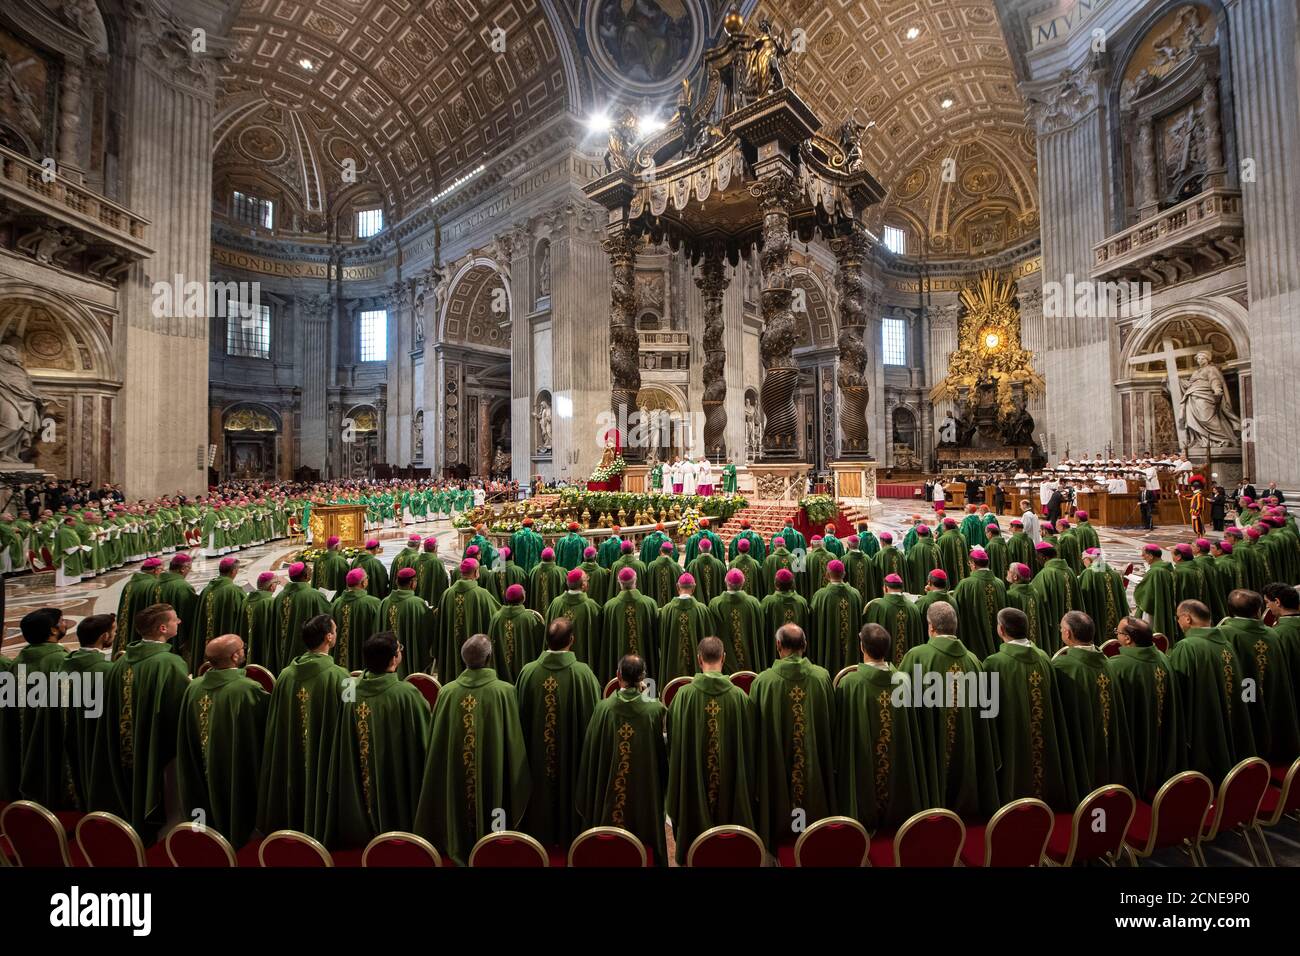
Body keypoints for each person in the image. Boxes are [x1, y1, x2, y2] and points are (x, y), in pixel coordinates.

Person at [415, 633, 530, 866]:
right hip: (492, 772)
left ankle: (456, 836)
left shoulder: (447, 692)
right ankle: (495, 837)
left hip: (456, 775)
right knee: (495, 788)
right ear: (490, 658)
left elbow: (438, 747)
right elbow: (513, 743)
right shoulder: (504, 691)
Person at [90, 603, 190, 841]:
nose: (180, 622)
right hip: (157, 744)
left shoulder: (121, 662)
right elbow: (179, 709)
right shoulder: (168, 663)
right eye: (176, 620)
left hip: (128, 741)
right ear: (163, 628)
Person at [325, 632, 432, 849]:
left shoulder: (351, 688)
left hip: (358, 777)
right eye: (399, 649)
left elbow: (343, 734)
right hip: (394, 778)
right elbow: (423, 742)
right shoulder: (407, 694)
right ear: (394, 659)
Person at [898, 602, 1000, 819]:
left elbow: (901, 708)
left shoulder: (917, 656)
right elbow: (986, 715)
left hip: (931, 748)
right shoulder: (974, 661)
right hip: (968, 749)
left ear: (931, 627)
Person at [257, 614, 350, 840]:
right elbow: (353, 719)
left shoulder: (286, 675)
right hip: (324, 755)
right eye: (335, 631)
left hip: (291, 754)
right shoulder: (341, 676)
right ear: (329, 637)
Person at [665, 636, 757, 865]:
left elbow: (674, 747)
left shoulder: (683, 697)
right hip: (730, 785)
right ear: (724, 659)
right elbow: (749, 746)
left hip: (694, 787)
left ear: (698, 660)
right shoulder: (739, 698)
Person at [833, 622, 929, 830]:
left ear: (862, 647)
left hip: (863, 763)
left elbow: (841, 731)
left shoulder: (851, 683)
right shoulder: (903, 680)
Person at [176, 634, 269, 847]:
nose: (244, 650)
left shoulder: (194, 687)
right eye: (242, 648)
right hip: (234, 766)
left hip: (202, 762)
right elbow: (268, 726)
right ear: (236, 657)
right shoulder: (246, 689)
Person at [750, 623, 835, 855]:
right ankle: (814, 832)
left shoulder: (763, 683)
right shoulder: (822, 677)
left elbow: (754, 736)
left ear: (778, 645)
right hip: (814, 771)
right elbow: (832, 726)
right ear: (805, 646)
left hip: (776, 774)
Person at [516, 618, 602, 847]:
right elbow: (593, 725)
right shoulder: (583, 675)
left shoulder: (528, 672)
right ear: (572, 641)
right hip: (572, 764)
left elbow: (519, 723)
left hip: (535, 762)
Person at [576, 654, 669, 865]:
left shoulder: (603, 709)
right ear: (643, 678)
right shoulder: (655, 711)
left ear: (618, 675)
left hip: (608, 793)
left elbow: (591, 755)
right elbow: (663, 758)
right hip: (644, 794)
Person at [981, 607, 1077, 809]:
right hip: (1043, 737)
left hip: (1012, 739)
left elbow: (987, 711)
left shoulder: (994, 663)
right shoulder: (1043, 657)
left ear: (1001, 630)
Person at [1166, 600, 1256, 781]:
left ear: (1187, 619)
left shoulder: (1187, 646)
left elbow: (1178, 692)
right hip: (1225, 715)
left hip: (1203, 722)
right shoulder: (1225, 643)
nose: (1178, 622)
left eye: (1178, 618)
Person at [1052, 611, 1137, 796]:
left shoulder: (1063, 667)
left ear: (1067, 634)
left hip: (1080, 743)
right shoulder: (1107, 662)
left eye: (1061, 628)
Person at [1216, 589, 1300, 762]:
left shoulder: (1227, 633)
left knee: (1249, 719)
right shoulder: (1273, 633)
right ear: (1259, 610)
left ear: (1230, 610)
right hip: (1271, 688)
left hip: (1247, 689)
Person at [1111, 616, 1183, 799]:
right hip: (1162, 735)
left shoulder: (1118, 666)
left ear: (1127, 639)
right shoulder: (1161, 656)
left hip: (1136, 735)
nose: (1116, 635)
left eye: (1117, 632)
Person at [13, 608, 70, 808]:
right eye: (62, 621)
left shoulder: (20, 659)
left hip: (26, 729)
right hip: (53, 731)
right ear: (53, 631)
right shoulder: (59, 660)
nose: (66, 623)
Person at [61, 614, 116, 809]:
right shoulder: (106, 670)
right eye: (114, 631)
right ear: (104, 637)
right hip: (96, 737)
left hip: (70, 735)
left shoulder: (64, 663)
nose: (115, 635)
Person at [434, 557, 501, 682]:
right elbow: (496, 617)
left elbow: (440, 627)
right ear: (476, 573)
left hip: (451, 651)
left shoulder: (447, 594)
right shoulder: (482, 594)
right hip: (477, 653)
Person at [188, 556, 247, 676]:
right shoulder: (234, 591)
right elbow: (243, 617)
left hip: (206, 639)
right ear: (234, 572)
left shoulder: (206, 589)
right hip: (226, 639)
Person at [270, 562, 332, 675]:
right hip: (304, 650)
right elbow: (327, 617)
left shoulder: (279, 597)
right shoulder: (314, 595)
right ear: (306, 576)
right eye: (309, 570)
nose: (311, 572)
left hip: (282, 650)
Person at [656, 572, 715, 684]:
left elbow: (660, 640)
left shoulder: (666, 611)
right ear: (693, 588)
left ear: (678, 587)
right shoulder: (702, 610)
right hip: (697, 669)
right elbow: (709, 639)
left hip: (671, 670)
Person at [953, 547, 1007, 660]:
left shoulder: (965, 585)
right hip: (999, 638)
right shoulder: (1000, 584)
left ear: (973, 564)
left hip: (974, 641)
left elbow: (955, 609)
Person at [545, 567, 604, 671]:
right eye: (586, 580)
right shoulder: (591, 606)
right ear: (583, 585)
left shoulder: (556, 603)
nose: (587, 583)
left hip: (556, 662)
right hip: (582, 667)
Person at [709, 568, 765, 675]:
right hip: (750, 662)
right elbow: (760, 630)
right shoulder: (753, 603)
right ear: (743, 583)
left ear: (725, 582)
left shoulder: (715, 604)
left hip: (725, 663)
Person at [488, 583, 545, 683]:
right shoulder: (529, 618)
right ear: (523, 598)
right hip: (524, 670)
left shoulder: (496, 617)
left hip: (501, 672)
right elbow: (540, 643)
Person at [863, 572, 924, 665]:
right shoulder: (913, 608)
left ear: (886, 588)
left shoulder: (878, 607)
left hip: (883, 670)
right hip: (909, 670)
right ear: (901, 589)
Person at [1031, 542, 1078, 654]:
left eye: (1037, 557)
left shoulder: (1045, 574)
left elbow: (1038, 602)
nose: (1037, 560)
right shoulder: (1070, 571)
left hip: (1055, 626)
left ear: (1044, 557)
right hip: (1073, 622)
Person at [1133, 544, 1178, 643]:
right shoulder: (1167, 567)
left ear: (1151, 556)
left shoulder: (1155, 571)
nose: (1142, 557)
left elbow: (1146, 595)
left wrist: (1139, 588)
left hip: (1153, 608)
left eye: (1144, 555)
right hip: (1163, 603)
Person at [686, 537, 727, 605]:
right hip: (715, 606)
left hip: (699, 608)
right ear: (710, 549)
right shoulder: (719, 565)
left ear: (699, 549)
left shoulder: (692, 565)